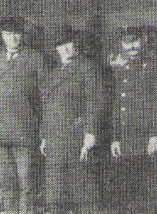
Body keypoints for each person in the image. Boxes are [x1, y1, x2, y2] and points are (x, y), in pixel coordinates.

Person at [0, 16, 46, 214]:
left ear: (23, 35)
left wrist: (43, 131)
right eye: (8, 35)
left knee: (26, 182)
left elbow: (45, 97)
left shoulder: (35, 59)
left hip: (24, 131)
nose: (13, 38)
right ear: (3, 36)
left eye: (17, 34)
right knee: (6, 182)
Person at [40, 26, 102, 214]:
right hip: (54, 138)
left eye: (68, 43)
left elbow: (94, 101)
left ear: (75, 44)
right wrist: (44, 135)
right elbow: (47, 105)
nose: (65, 49)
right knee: (55, 194)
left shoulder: (87, 67)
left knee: (82, 191)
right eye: (60, 45)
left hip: (76, 136)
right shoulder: (54, 72)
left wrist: (90, 132)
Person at [109, 26, 157, 214]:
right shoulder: (119, 68)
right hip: (125, 139)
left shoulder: (154, 66)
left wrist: (155, 135)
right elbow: (117, 105)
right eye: (127, 42)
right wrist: (115, 138)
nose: (132, 46)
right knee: (126, 191)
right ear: (121, 44)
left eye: (135, 41)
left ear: (143, 42)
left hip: (145, 139)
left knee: (149, 191)